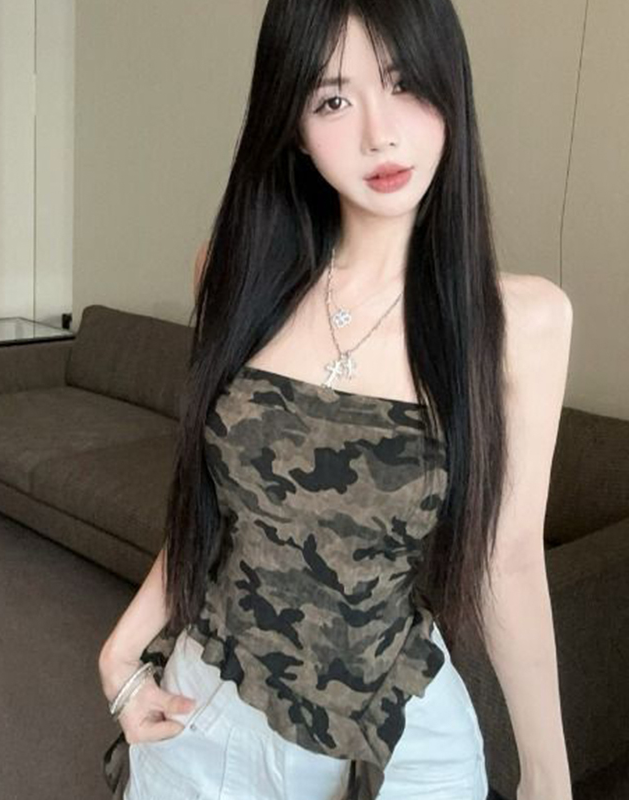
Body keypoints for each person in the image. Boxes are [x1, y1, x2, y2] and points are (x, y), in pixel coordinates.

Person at [99, 1, 574, 799]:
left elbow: (511, 558)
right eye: (333, 100)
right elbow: (217, 508)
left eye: (404, 84)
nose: (379, 134)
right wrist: (122, 648)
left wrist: (547, 777)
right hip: (207, 715)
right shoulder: (233, 274)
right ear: (292, 125)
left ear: (451, 88)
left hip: (401, 748)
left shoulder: (520, 321)